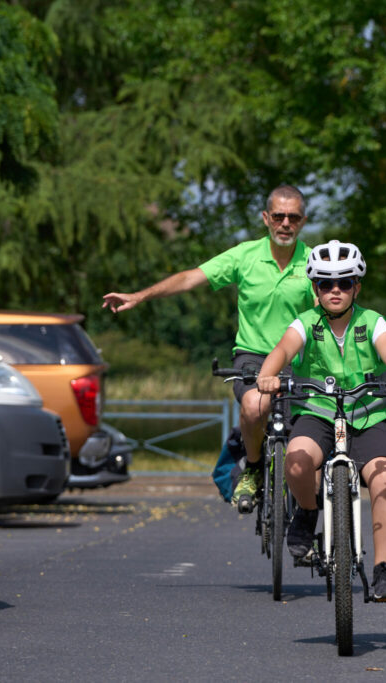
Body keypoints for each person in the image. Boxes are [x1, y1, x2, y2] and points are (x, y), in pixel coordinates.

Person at [102, 185, 313, 510]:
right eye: (278, 216)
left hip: (299, 360)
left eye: (293, 217)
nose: (285, 223)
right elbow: (190, 278)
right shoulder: (245, 256)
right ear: (266, 218)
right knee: (255, 407)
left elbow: (332, 310)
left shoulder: (314, 261)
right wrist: (138, 296)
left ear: (303, 221)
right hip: (254, 357)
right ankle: (254, 468)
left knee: (315, 436)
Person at [256, 240, 386, 600]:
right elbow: (282, 350)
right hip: (317, 412)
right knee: (297, 463)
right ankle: (307, 513)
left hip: (366, 413)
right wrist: (267, 376)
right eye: (326, 284)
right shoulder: (306, 322)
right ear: (315, 288)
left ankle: (383, 569)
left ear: (356, 287)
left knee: (383, 476)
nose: (335, 290)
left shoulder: (372, 321)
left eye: (344, 283)